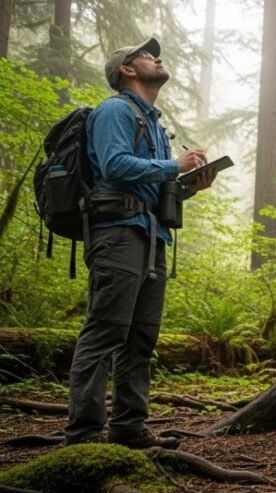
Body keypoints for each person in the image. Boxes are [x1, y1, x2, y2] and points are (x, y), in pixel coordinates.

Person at [64, 38, 217, 448]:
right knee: (105, 331)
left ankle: (129, 428)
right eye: (147, 55)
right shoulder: (115, 110)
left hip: (152, 238)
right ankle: (83, 438)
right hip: (117, 234)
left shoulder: (155, 126)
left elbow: (155, 188)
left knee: (141, 338)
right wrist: (174, 164)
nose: (157, 58)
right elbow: (114, 165)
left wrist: (189, 186)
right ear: (127, 70)